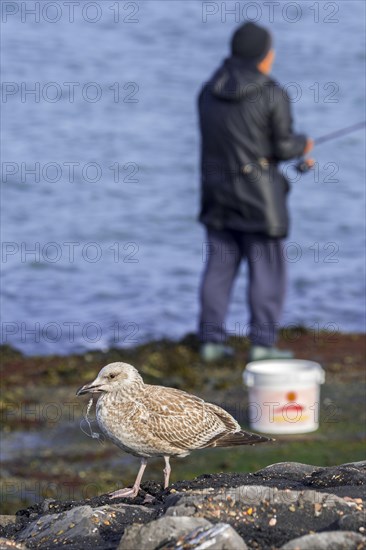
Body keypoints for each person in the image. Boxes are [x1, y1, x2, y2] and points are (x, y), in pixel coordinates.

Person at [197, 21, 313, 362]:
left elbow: (230, 142)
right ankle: (262, 344)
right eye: (270, 50)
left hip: (216, 194)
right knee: (268, 270)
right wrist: (303, 144)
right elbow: (282, 146)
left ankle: (210, 342)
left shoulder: (207, 91)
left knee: (218, 268)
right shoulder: (272, 92)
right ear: (262, 55)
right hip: (260, 200)